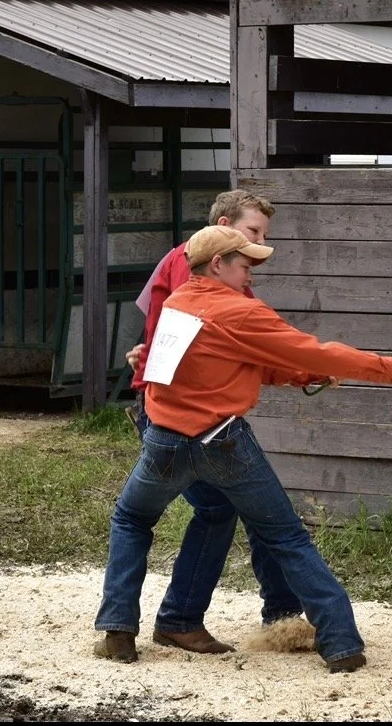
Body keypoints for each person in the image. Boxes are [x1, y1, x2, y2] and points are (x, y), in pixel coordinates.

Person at [94, 225, 392, 672]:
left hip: (163, 442)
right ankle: (342, 644)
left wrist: (299, 377)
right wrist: (391, 370)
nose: (251, 276)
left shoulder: (176, 305)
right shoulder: (241, 312)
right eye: (245, 266)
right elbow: (315, 352)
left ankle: (119, 632)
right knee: (286, 536)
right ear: (218, 265)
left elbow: (230, 365)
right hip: (224, 443)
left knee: (132, 520)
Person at [117, 190, 302, 658]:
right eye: (253, 231)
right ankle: (190, 618)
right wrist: (308, 366)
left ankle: (136, 625)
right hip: (189, 417)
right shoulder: (201, 268)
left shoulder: (214, 269)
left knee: (231, 511)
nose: (260, 244)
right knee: (235, 511)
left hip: (178, 411)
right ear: (224, 225)